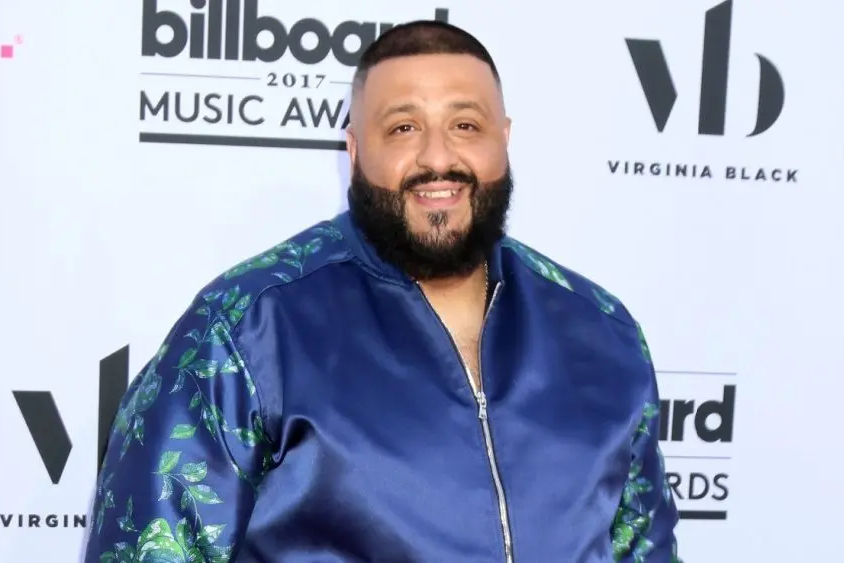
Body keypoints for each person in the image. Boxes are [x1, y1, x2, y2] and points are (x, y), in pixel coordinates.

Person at [83, 18, 681, 563]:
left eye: (465, 125)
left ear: (504, 137)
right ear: (353, 149)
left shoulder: (602, 330)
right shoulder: (248, 328)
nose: (438, 157)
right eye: (403, 128)